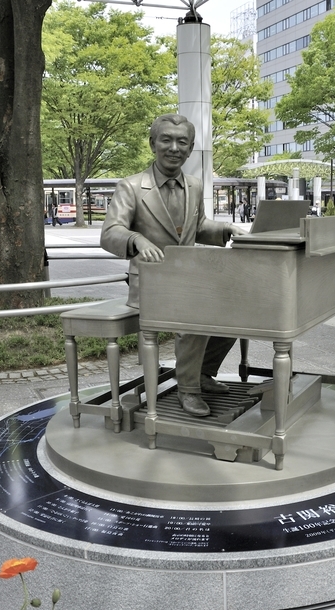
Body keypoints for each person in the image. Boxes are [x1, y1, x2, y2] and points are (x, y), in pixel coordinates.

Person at [101, 113, 246, 417]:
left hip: (188, 280)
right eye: (166, 140)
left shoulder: (194, 185)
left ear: (191, 148)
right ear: (152, 143)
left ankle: (202, 374)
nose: (174, 148)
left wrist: (225, 229)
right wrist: (137, 240)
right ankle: (188, 390)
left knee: (235, 312)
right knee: (197, 313)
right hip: (151, 285)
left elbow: (199, 226)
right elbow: (110, 232)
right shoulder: (130, 186)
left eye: (182, 142)